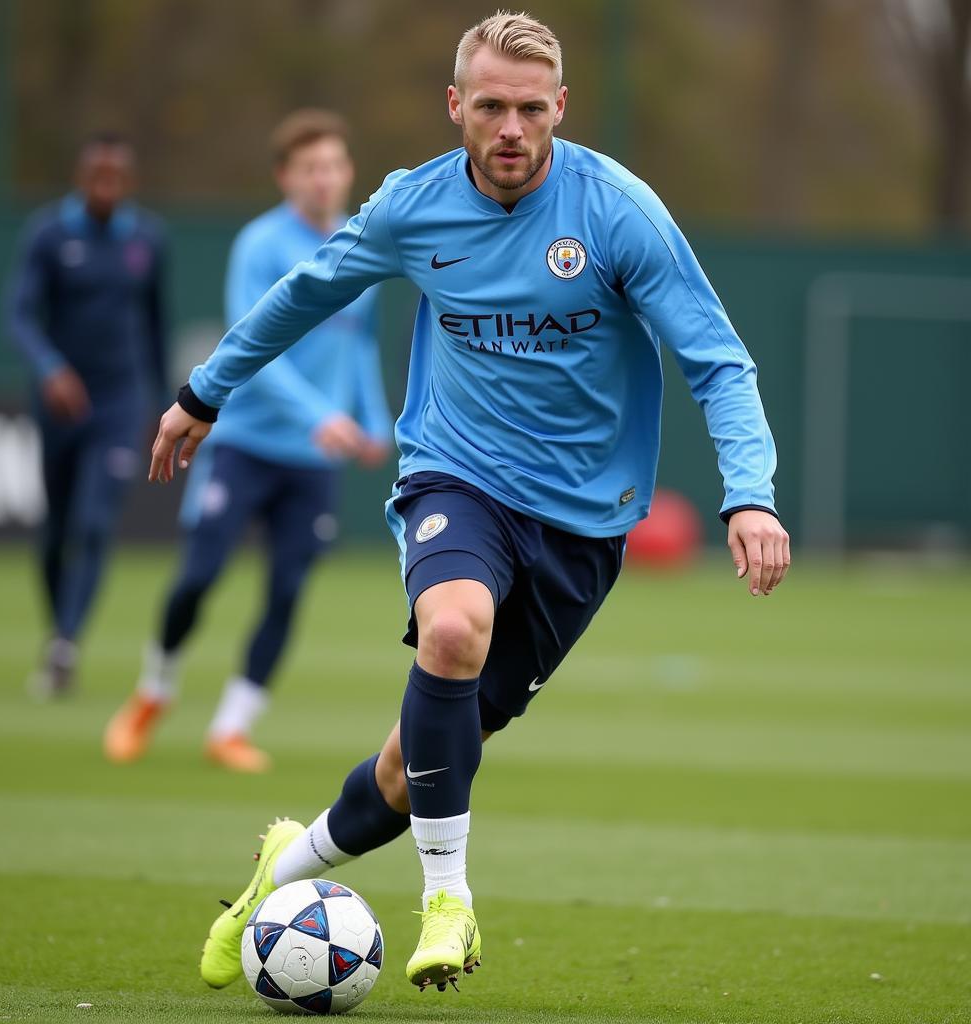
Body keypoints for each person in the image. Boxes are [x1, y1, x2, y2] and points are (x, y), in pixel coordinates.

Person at [149, 10, 791, 997]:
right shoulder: (414, 207)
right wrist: (204, 393)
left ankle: (274, 877)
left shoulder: (615, 211)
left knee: (414, 771)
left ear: (559, 109)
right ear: (456, 105)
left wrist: (749, 494)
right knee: (452, 630)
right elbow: (306, 290)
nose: (509, 129)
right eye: (489, 106)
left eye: (530, 109)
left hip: (581, 523)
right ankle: (447, 896)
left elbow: (716, 359)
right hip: (456, 475)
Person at [103, 110, 391, 773]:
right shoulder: (260, 245)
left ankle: (231, 727)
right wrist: (321, 413)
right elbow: (250, 344)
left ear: (349, 172)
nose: (324, 180)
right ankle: (154, 691)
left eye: (334, 166)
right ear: (285, 177)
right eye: (310, 168)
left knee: (288, 590)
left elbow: (362, 343)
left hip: (311, 462)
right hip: (243, 445)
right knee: (198, 579)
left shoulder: (360, 243)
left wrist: (374, 420)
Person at [8, 133, 167, 697]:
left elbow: (154, 326)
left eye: (115, 176)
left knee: (95, 523)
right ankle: (59, 629)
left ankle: (65, 643)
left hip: (120, 403)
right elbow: (20, 314)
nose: (106, 185)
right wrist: (50, 368)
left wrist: (162, 403)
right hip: (60, 402)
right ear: (82, 176)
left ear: (127, 181)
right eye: (97, 174)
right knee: (56, 531)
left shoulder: (147, 239)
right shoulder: (49, 234)